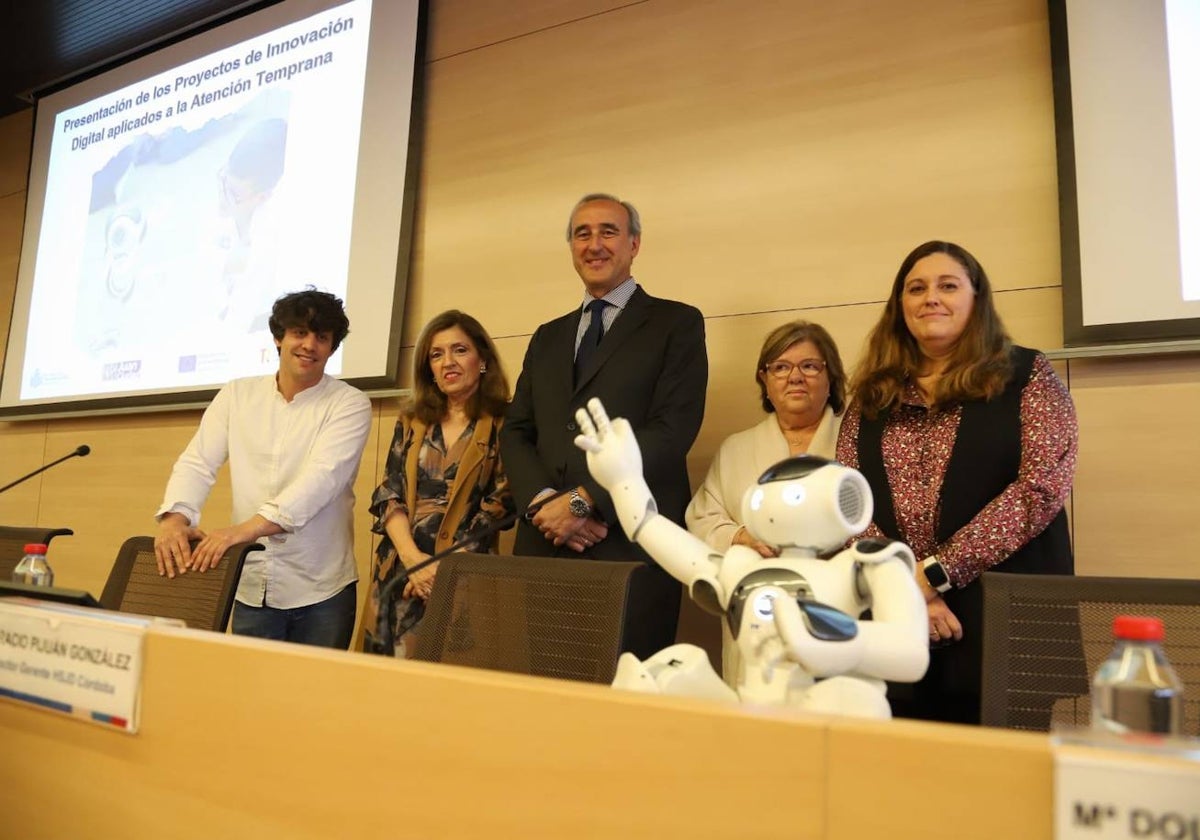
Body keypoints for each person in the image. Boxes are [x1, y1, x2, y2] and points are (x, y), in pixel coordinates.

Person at [836, 240, 1078, 724]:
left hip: (1007, 614)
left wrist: (935, 575)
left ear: (976, 299)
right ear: (899, 306)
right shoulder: (872, 393)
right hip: (897, 618)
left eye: (948, 285)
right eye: (916, 288)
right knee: (908, 780)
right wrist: (906, 588)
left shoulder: (1028, 375)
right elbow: (847, 500)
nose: (931, 298)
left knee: (1007, 781)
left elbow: (1041, 488)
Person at [499, 192, 708, 656]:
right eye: (582, 233)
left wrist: (584, 500)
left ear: (634, 244)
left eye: (608, 231)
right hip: (546, 545)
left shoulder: (677, 323)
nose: (594, 244)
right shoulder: (547, 336)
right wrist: (543, 505)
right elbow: (517, 431)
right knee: (550, 694)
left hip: (629, 542)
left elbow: (673, 429)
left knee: (628, 699)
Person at [154, 288, 372, 649]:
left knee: (315, 698)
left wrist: (242, 531)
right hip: (252, 583)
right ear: (278, 338)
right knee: (250, 697)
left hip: (321, 586)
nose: (309, 345)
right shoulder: (237, 395)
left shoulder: (349, 403)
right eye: (299, 333)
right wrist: (175, 518)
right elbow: (198, 462)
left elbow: (322, 480)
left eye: (322, 337)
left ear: (332, 348)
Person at [685, 320, 846, 684]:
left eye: (809, 366)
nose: (795, 377)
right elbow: (702, 518)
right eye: (781, 367)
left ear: (831, 376)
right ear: (765, 380)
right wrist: (740, 536)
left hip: (835, 605)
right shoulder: (736, 448)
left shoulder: (859, 441)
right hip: (757, 612)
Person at [363, 310, 515, 656]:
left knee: (446, 692)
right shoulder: (412, 421)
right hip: (399, 573)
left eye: (459, 350)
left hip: (465, 577)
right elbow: (390, 494)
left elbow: (498, 506)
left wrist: (439, 573)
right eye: (436, 354)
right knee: (382, 690)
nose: (448, 362)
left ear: (482, 359)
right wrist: (414, 561)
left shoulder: (505, 422)